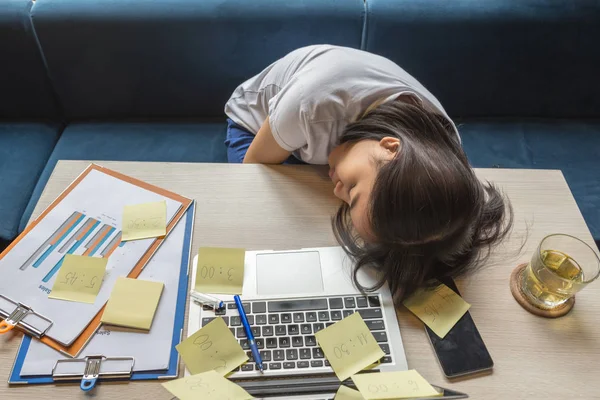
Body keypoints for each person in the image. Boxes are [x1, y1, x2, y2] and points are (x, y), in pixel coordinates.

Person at [224, 45, 512, 301]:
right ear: (388, 147)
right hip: (257, 128)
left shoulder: (439, 148)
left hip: (337, 135)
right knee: (265, 220)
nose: (337, 192)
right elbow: (254, 170)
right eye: (352, 189)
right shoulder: (310, 106)